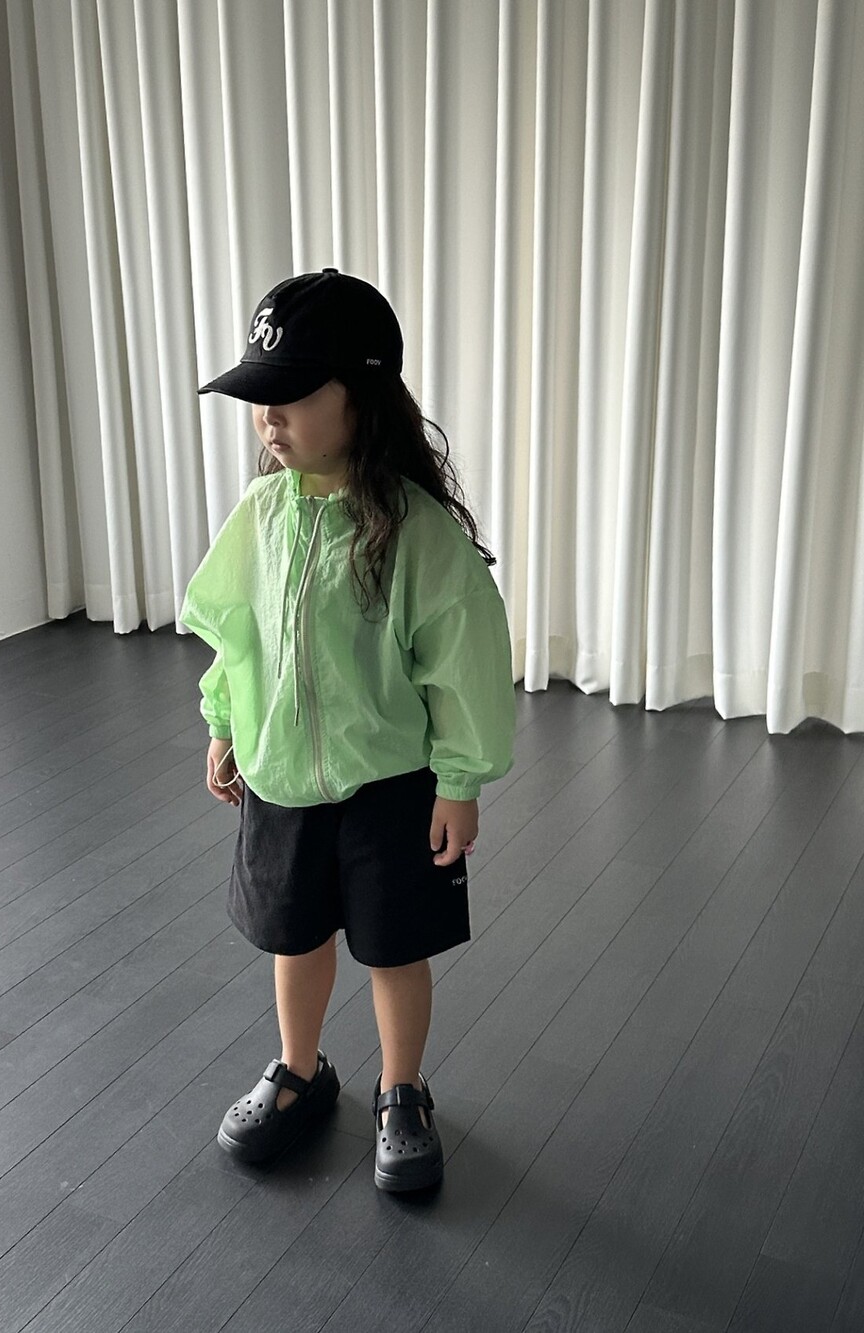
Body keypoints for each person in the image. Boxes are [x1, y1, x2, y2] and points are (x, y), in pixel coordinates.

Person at [180, 268, 515, 1192]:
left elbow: (462, 661)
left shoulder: (414, 531)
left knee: (394, 948)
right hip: (283, 775)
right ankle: (301, 1069)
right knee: (295, 939)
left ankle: (401, 1088)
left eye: (291, 394)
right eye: (260, 396)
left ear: (361, 397)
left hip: (392, 786)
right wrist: (225, 723)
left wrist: (459, 781)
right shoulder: (262, 514)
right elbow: (238, 632)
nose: (268, 417)